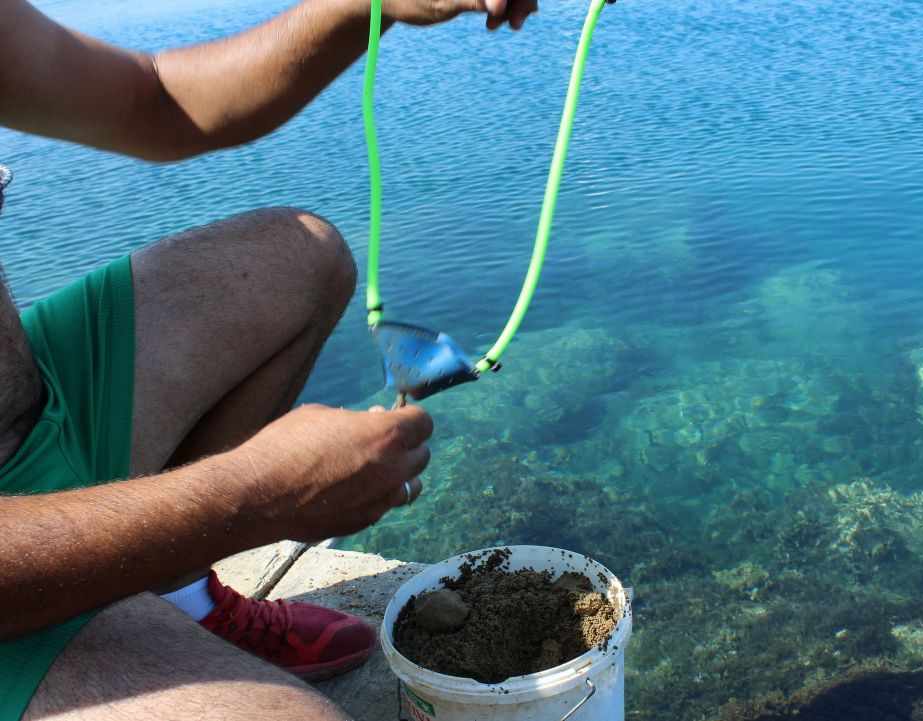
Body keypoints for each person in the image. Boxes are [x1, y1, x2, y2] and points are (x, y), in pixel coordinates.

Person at [0, 0, 538, 718]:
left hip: (37, 412)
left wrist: (366, 6)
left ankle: (180, 595)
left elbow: (153, 96)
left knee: (298, 257)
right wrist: (251, 498)